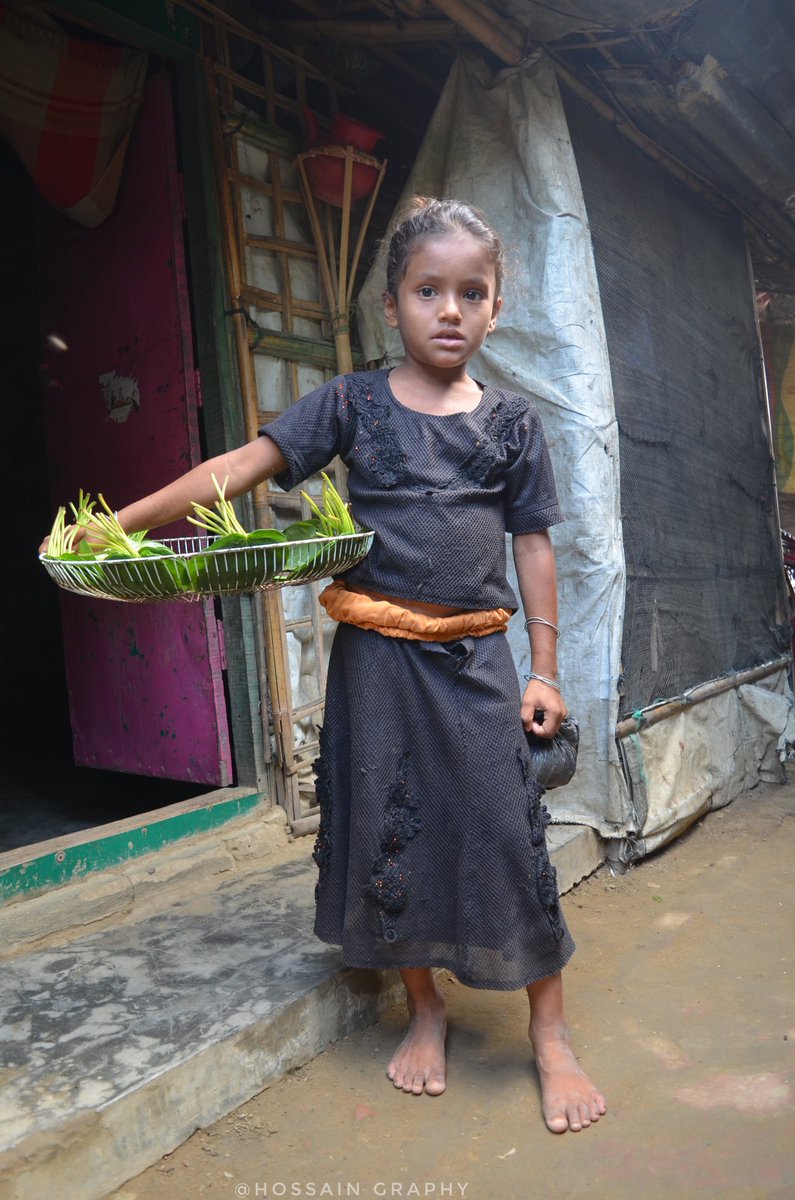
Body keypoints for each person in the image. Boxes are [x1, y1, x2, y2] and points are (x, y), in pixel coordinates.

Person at [43, 196, 605, 1133]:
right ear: (392, 304)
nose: (450, 310)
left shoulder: (513, 425)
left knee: (507, 829)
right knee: (391, 831)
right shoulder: (349, 403)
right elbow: (242, 465)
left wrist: (543, 670)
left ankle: (549, 1033)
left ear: (497, 307)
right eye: (429, 290)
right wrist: (125, 523)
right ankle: (422, 1008)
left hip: (477, 660)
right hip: (377, 664)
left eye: (472, 292)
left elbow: (534, 546)